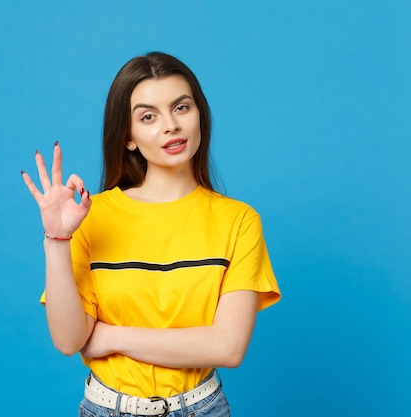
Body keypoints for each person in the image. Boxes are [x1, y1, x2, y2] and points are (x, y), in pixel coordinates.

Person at [21, 52, 281, 417]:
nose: (171, 126)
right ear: (127, 137)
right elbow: (69, 341)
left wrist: (111, 337)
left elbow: (228, 347)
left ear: (199, 116)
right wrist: (57, 239)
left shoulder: (238, 221)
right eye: (148, 116)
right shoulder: (91, 217)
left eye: (181, 108)